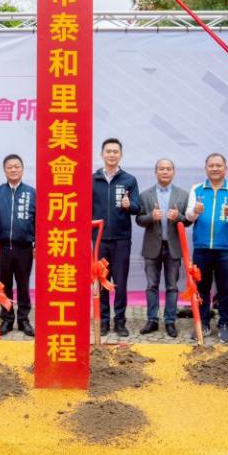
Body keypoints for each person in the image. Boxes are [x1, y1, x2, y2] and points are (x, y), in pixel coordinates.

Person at [185, 153, 228, 343]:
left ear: (225, 168)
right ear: (206, 168)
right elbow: (188, 216)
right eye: (211, 165)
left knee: (225, 289)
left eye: (219, 165)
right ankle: (202, 323)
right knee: (201, 288)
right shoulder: (197, 189)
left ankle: (225, 324)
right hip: (201, 248)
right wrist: (195, 211)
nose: (215, 168)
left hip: (225, 249)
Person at [135, 158, 189, 338]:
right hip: (152, 246)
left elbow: (188, 221)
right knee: (152, 285)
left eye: (168, 169)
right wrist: (151, 216)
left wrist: (178, 216)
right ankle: (152, 320)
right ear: (155, 172)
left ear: (173, 172)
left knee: (172, 286)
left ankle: (170, 321)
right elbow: (139, 220)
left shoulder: (183, 195)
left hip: (173, 247)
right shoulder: (145, 195)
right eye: (161, 169)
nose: (165, 171)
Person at [0, 154, 36, 337]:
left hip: (24, 248)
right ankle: (7, 319)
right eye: (9, 167)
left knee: (23, 284)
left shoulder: (32, 193)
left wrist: (37, 243)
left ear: (22, 169)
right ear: (4, 170)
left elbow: (39, 220)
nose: (13, 170)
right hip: (3, 247)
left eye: (17, 166)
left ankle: (23, 320)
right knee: (4, 285)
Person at [92, 138, 140, 338]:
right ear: (102, 154)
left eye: (115, 152)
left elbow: (137, 208)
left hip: (121, 240)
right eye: (108, 151)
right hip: (99, 241)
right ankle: (103, 321)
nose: (111, 155)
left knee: (120, 282)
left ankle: (120, 322)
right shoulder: (92, 179)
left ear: (120, 155)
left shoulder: (129, 180)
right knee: (102, 281)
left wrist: (129, 205)